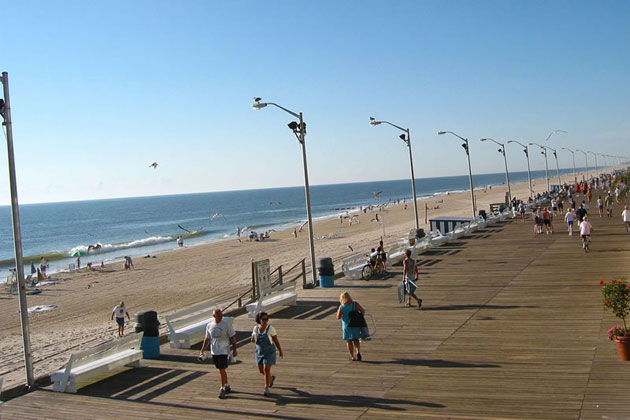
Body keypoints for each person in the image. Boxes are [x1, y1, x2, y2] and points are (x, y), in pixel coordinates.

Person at [199, 309, 237, 399]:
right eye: (218, 315)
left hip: (224, 350)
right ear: (214, 316)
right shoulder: (209, 325)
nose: (220, 317)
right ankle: (226, 385)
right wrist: (202, 350)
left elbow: (233, 336)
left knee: (221, 369)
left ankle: (222, 388)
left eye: (221, 315)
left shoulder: (226, 325)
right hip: (214, 351)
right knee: (221, 369)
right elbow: (207, 338)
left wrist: (235, 349)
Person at [251, 312, 283, 397]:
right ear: (259, 320)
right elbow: (253, 338)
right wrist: (253, 339)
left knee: (266, 369)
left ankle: (266, 388)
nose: (265, 321)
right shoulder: (255, 329)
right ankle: (270, 378)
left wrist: (280, 350)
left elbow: (276, 340)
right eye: (263, 319)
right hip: (259, 351)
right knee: (261, 370)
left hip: (269, 351)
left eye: (267, 319)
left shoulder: (270, 329)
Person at [336, 292, 365, 361]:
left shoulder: (342, 307)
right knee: (356, 339)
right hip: (355, 324)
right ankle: (358, 352)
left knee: (349, 341)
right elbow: (363, 311)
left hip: (347, 325)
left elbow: (338, 317)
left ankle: (352, 356)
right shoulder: (355, 304)